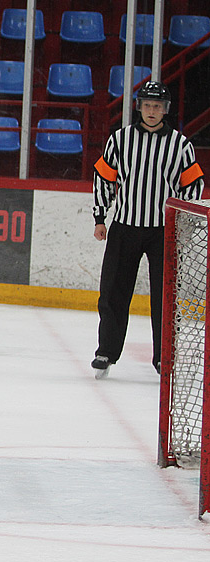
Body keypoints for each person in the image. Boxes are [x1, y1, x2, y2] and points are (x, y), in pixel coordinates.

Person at [91, 81, 205, 379]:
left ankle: (164, 356)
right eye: (147, 105)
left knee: (165, 297)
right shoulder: (120, 139)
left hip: (163, 232)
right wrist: (100, 216)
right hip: (125, 226)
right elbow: (104, 177)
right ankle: (106, 351)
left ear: (165, 110)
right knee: (113, 292)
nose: (152, 111)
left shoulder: (180, 145)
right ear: (138, 107)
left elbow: (193, 185)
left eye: (158, 106)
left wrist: (183, 221)